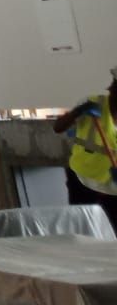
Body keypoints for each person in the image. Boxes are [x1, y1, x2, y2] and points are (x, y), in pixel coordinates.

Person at [54, 69, 117, 231]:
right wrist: (79, 111)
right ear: (111, 88)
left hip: (112, 188)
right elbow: (58, 127)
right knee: (82, 226)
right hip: (81, 179)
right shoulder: (93, 103)